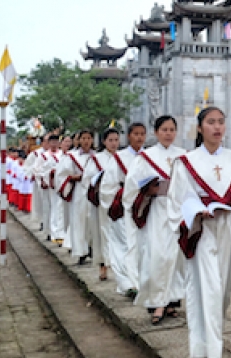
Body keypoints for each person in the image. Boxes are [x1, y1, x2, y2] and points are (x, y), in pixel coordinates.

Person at [168, 107, 231, 357]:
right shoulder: (187, 162)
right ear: (200, 128)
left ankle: (210, 340)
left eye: (221, 122)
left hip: (229, 225)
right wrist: (197, 210)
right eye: (211, 122)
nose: (217, 127)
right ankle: (208, 350)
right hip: (203, 228)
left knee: (222, 290)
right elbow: (179, 199)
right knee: (206, 288)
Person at [122, 116, 186, 325]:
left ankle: (170, 300)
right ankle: (157, 301)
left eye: (172, 129)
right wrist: (147, 191)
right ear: (156, 133)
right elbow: (131, 187)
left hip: (177, 211)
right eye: (164, 129)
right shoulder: (145, 157)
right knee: (157, 256)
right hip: (155, 211)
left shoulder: (184, 156)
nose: (168, 133)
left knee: (174, 257)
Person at [100, 123, 146, 298]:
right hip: (124, 206)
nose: (139, 137)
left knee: (139, 244)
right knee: (123, 244)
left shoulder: (147, 157)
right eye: (136, 134)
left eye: (142, 134)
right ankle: (126, 283)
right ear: (129, 136)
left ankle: (139, 280)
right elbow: (108, 185)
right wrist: (119, 197)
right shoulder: (119, 158)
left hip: (142, 206)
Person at [84, 128, 119, 281]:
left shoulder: (123, 158)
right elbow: (88, 180)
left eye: (116, 140)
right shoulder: (96, 159)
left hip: (119, 202)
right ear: (104, 142)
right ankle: (103, 266)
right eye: (110, 140)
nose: (113, 143)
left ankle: (120, 269)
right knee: (101, 234)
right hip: (101, 203)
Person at [56, 130, 96, 264]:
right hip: (78, 191)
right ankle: (81, 251)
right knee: (78, 221)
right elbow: (61, 175)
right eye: (83, 138)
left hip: (94, 191)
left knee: (93, 220)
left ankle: (92, 248)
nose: (86, 141)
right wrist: (73, 177)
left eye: (89, 138)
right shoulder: (71, 156)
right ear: (78, 140)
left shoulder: (97, 156)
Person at [41, 135, 65, 244]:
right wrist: (47, 178)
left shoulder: (62, 155)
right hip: (51, 185)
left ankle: (61, 233)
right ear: (49, 143)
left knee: (61, 208)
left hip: (62, 185)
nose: (54, 144)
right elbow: (39, 170)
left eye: (56, 141)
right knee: (53, 208)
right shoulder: (44, 156)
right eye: (52, 142)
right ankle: (54, 233)